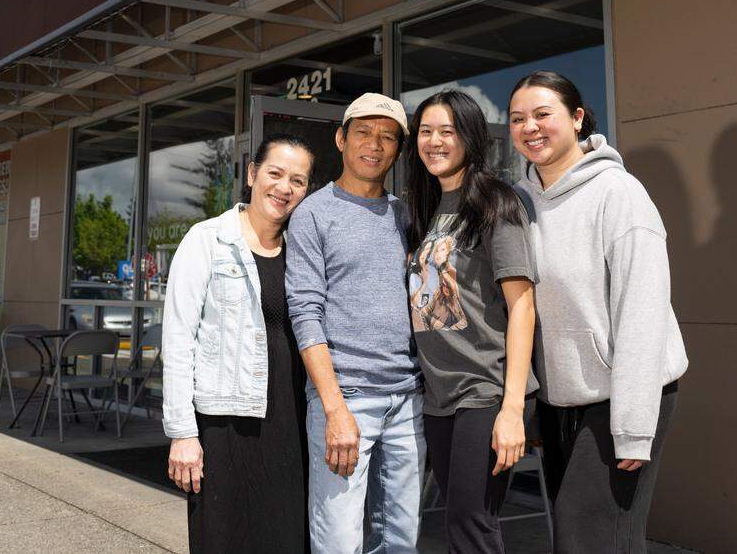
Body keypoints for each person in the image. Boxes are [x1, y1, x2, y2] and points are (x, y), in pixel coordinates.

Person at [508, 71, 688, 553]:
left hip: (622, 391)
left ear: (578, 118)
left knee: (590, 537)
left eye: (543, 114)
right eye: (518, 118)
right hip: (559, 397)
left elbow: (642, 313)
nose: (530, 127)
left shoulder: (619, 194)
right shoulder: (519, 202)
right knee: (584, 538)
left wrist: (631, 427)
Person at [162, 134, 315, 554]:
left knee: (285, 538)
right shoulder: (206, 240)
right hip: (225, 425)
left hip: (291, 424)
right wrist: (182, 434)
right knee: (224, 540)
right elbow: (178, 341)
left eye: (298, 181)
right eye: (275, 174)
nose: (285, 188)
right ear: (252, 174)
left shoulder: (303, 249)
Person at [285, 92, 424, 553]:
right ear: (341, 139)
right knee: (339, 542)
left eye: (388, 137)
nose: (375, 144)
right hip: (346, 400)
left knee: (401, 540)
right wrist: (334, 409)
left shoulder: (406, 216)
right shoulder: (312, 214)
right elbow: (305, 313)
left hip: (408, 400)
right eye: (363, 132)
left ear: (399, 150)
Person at [403, 90, 537, 553]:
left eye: (447, 131)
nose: (434, 141)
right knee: (457, 526)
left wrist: (513, 409)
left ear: (470, 137)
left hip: (485, 392)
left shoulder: (497, 204)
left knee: (471, 524)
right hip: (438, 397)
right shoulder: (422, 209)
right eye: (425, 131)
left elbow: (522, 305)